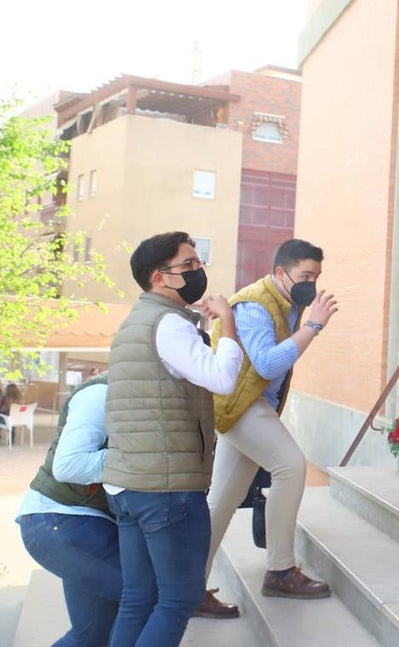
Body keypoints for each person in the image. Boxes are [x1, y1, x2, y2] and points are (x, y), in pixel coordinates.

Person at [102, 231, 243, 647]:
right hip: (166, 488)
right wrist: (228, 323)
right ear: (159, 277)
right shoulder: (168, 324)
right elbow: (222, 378)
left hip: (130, 482)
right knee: (180, 598)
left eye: (199, 263)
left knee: (139, 599)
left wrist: (201, 324)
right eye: (188, 265)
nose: (198, 271)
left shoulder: (138, 322)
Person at [197, 239, 338, 618]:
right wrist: (313, 326)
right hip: (241, 403)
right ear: (280, 272)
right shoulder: (255, 305)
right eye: (304, 276)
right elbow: (266, 364)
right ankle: (280, 570)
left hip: (246, 404)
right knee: (290, 466)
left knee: (222, 501)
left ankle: (189, 588)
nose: (311, 284)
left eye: (316, 277)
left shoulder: (287, 303)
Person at [15, 372, 120, 647]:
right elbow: (69, 465)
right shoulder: (100, 393)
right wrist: (142, 453)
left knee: (90, 636)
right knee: (151, 595)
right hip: (59, 521)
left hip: (87, 523)